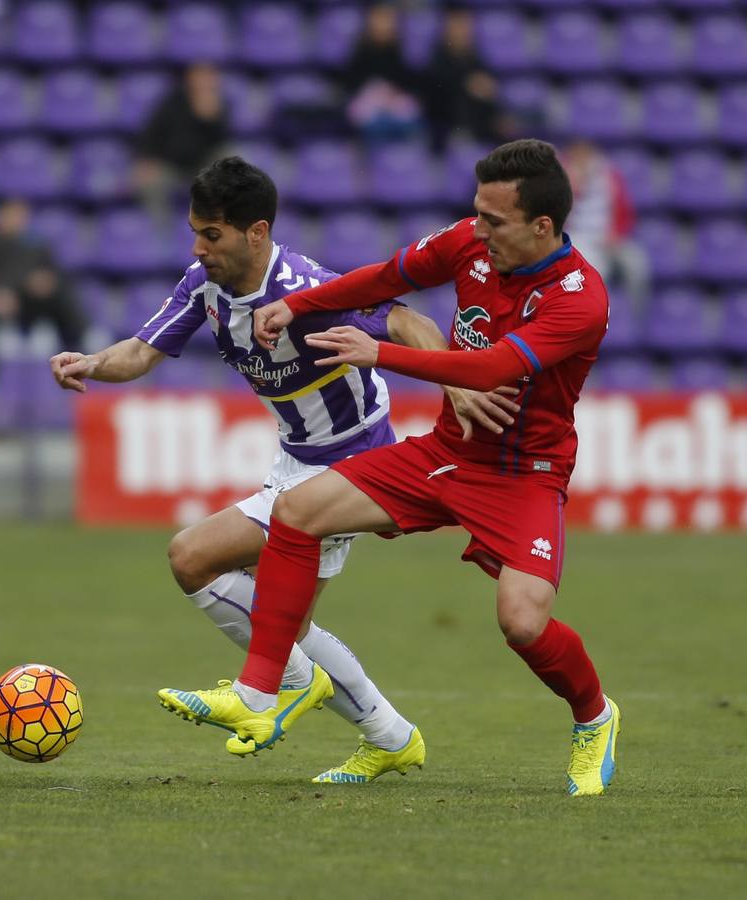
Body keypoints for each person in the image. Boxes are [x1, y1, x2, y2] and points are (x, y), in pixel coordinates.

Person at [158, 140, 621, 797]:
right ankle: (260, 692)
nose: (476, 228)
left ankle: (594, 717)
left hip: (524, 474)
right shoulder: (469, 241)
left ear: (541, 227)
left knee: (521, 622)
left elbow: (491, 369)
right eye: (475, 212)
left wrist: (378, 352)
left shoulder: (580, 300)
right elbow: (386, 277)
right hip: (447, 453)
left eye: (493, 219)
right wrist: (301, 303)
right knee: (297, 510)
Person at [52, 157, 518, 783]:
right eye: (195, 232)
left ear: (256, 232)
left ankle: (295, 690)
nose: (198, 248)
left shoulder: (306, 291)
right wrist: (90, 363)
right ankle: (387, 734)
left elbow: (411, 320)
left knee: (200, 563)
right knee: (276, 618)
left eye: (210, 234)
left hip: (353, 466)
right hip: (294, 460)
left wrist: (455, 385)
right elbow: (141, 351)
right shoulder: (204, 286)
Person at [0, 198, 85, 358]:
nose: (17, 220)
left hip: (31, 301)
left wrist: (44, 282)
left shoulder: (35, 244)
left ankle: (82, 334)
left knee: (58, 291)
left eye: (21, 216)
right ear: (0, 216)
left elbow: (52, 273)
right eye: (12, 215)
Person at [131, 63, 229, 222]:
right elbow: (152, 133)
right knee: (149, 182)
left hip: (203, 168)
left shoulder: (220, 105)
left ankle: (217, 221)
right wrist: (146, 160)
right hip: (171, 166)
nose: (204, 82)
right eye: (200, 76)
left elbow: (219, 142)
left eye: (209, 77)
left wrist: (209, 120)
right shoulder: (172, 101)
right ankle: (159, 228)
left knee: (230, 162)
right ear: (190, 79)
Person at [562, 140, 650, 309]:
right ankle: (598, 316)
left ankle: (636, 314)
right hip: (577, 239)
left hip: (609, 238)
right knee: (595, 272)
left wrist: (616, 235)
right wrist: (576, 185)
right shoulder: (562, 177)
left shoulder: (609, 176)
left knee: (637, 265)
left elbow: (625, 212)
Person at [421, 8, 511, 152]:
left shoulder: (476, 59)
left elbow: (488, 90)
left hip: (479, 124)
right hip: (446, 124)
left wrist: (498, 116)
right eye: (457, 27)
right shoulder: (436, 60)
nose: (462, 33)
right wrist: (467, 84)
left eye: (465, 27)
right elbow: (436, 93)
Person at [339, 3, 424, 144]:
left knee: (410, 123)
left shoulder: (401, 51)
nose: (383, 25)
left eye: (388, 20)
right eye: (379, 19)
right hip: (369, 105)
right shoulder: (360, 51)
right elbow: (352, 84)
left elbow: (408, 82)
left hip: (395, 103)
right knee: (376, 126)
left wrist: (392, 94)